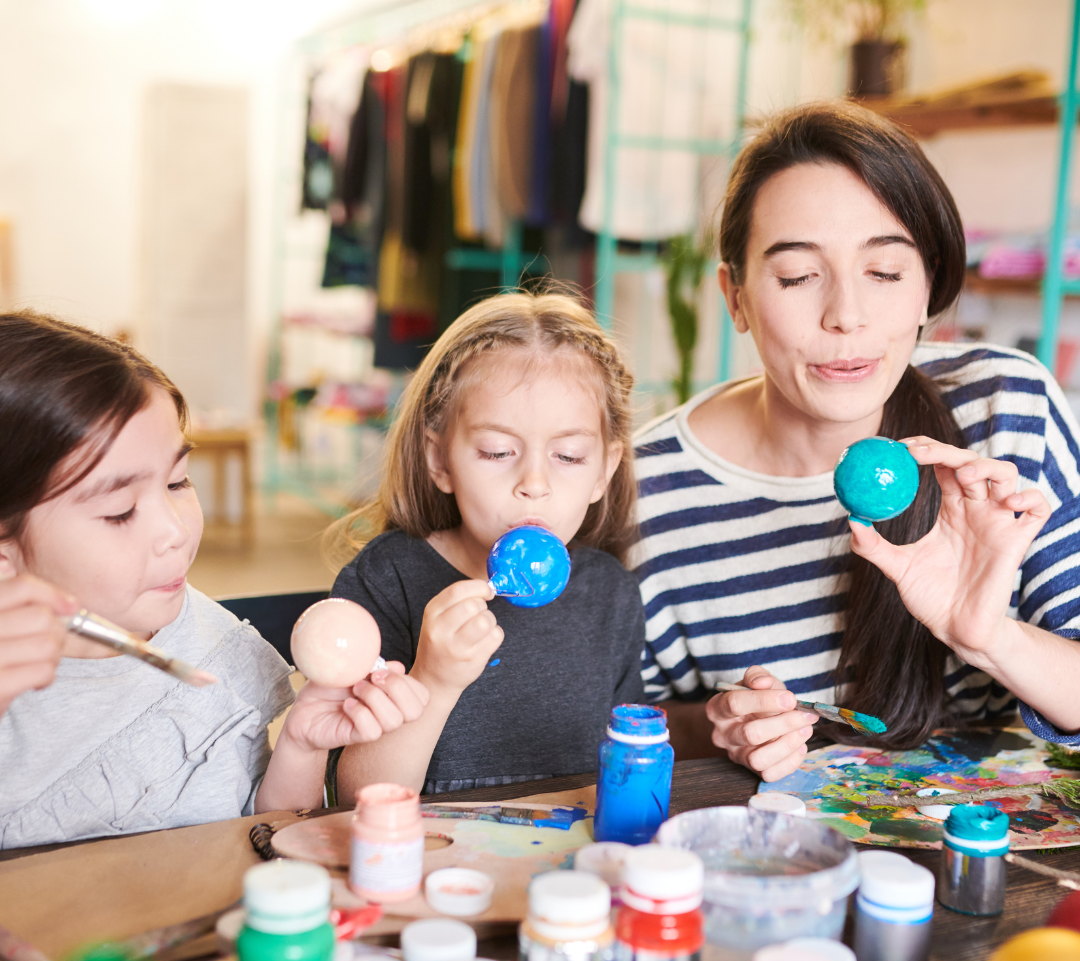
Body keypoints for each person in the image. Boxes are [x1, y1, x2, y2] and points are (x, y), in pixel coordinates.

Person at [633, 101, 1080, 782]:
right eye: (797, 276)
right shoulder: (649, 494)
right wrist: (720, 726)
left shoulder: (1003, 407)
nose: (846, 315)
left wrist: (989, 639)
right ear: (737, 297)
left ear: (928, 283)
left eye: (885, 272)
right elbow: (617, 721)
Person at [0, 312, 428, 848]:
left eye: (178, 482)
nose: (174, 531)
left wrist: (301, 745)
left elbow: (257, 832)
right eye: (120, 510)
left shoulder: (209, 638)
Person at [328, 291, 645, 797]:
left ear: (604, 470)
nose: (534, 482)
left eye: (568, 456)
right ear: (440, 461)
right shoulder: (387, 582)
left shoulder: (611, 595)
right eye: (497, 452)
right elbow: (354, 798)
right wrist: (433, 680)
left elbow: (631, 761)